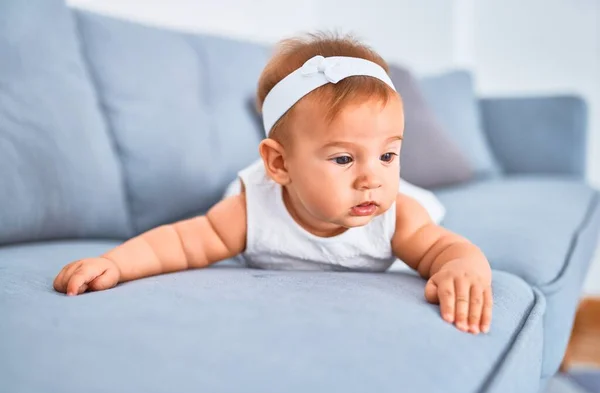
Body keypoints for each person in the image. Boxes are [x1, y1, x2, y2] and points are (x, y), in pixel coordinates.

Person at [53, 32, 493, 335]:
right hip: (271, 201)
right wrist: (115, 263)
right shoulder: (249, 211)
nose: (371, 179)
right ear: (279, 164)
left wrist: (464, 267)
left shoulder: (396, 215)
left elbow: (445, 249)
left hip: (407, 211)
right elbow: (181, 243)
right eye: (343, 158)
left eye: (388, 155)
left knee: (421, 206)